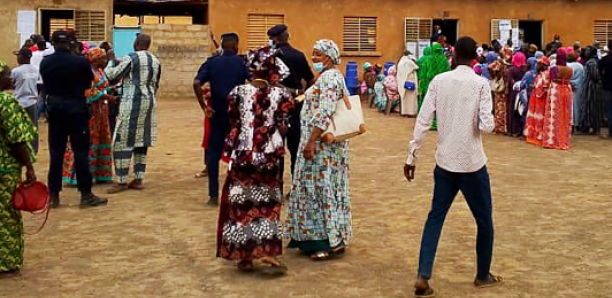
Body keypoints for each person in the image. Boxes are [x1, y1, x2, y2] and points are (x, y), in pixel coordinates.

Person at [404, 36, 501, 298]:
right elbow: (486, 126)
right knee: (484, 221)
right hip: (472, 164)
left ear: (454, 54)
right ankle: (483, 275)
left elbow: (423, 121)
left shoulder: (438, 81)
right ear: (475, 58)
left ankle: (423, 275)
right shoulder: (481, 84)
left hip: (444, 163)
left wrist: (412, 156)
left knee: (435, 218)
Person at [216, 46, 293, 273]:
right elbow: (284, 127)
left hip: (242, 158)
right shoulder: (283, 95)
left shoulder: (236, 93)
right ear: (272, 70)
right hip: (269, 159)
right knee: (268, 206)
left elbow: (233, 126)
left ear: (251, 69)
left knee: (242, 206)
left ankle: (245, 257)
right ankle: (268, 252)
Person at [286, 39, 352, 261]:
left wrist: (311, 141)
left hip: (322, 147)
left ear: (330, 56)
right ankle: (326, 238)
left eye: (318, 54)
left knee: (317, 191)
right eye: (312, 53)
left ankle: (323, 242)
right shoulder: (327, 77)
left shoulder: (331, 78)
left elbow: (325, 111)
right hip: (324, 146)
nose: (313, 58)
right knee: (322, 190)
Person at [40, 31, 107, 208]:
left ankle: (54, 196)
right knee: (80, 152)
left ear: (53, 43)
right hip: (76, 109)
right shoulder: (80, 62)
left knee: (56, 153)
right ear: (70, 44)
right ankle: (86, 195)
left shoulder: (46, 62)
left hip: (55, 109)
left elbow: (46, 85)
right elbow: (87, 84)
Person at [193, 33, 249, 205]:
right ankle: (237, 193)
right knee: (239, 154)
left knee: (213, 154)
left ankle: (213, 195)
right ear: (236, 46)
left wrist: (204, 107)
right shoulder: (242, 62)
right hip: (236, 115)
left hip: (217, 114)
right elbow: (254, 81)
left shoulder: (212, 62)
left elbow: (196, 83)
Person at [104, 34, 161, 194]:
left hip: (131, 103)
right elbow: (155, 85)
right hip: (149, 103)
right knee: (142, 140)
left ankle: (121, 181)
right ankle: (138, 178)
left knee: (122, 140)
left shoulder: (132, 57)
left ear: (136, 43)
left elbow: (111, 76)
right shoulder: (155, 61)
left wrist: (110, 60)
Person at [267, 24, 315, 196]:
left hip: (274, 109)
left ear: (274, 39)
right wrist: (301, 94)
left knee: (275, 150)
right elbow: (310, 80)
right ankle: (295, 189)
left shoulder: (270, 58)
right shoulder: (299, 56)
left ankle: (276, 189)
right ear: (286, 36)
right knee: (295, 150)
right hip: (296, 108)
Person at [0, 60, 37, 277]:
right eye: (6, 74)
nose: (10, 77)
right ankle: (5, 263)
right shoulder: (5, 102)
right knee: (6, 216)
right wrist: (29, 167)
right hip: (4, 170)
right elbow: (17, 141)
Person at [62, 48, 114, 186]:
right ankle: (81, 177)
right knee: (89, 142)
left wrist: (111, 90)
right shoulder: (86, 72)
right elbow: (86, 91)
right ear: (96, 59)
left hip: (101, 112)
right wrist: (104, 95)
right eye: (103, 58)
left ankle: (100, 174)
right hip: (90, 112)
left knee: (101, 140)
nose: (105, 60)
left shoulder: (100, 71)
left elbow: (103, 86)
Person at [543, 48, 573, 150]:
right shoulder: (570, 70)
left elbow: (551, 79)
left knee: (554, 114)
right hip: (567, 90)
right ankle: (563, 139)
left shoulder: (554, 69)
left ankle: (552, 140)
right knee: (565, 114)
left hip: (556, 90)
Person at [11, 48, 40, 153]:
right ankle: (33, 150)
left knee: (18, 128)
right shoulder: (36, 69)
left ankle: (18, 151)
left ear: (23, 57)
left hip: (19, 103)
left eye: (18, 55)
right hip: (32, 102)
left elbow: (11, 84)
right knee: (33, 127)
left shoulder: (16, 71)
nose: (17, 58)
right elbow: (39, 84)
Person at [422, 43, 451, 130]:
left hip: (430, 84)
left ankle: (430, 123)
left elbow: (423, 74)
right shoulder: (444, 59)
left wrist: (423, 86)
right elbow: (448, 72)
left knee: (430, 104)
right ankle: (440, 123)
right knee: (441, 104)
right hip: (442, 85)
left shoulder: (428, 59)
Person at [524, 57, 551, 145]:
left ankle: (539, 137)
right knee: (536, 117)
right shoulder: (542, 74)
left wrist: (534, 87)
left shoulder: (544, 74)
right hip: (536, 98)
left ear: (543, 65)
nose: (537, 65)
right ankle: (535, 136)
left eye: (539, 64)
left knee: (539, 117)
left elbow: (544, 87)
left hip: (540, 99)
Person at [505, 52, 527, 136]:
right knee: (520, 110)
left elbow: (510, 81)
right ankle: (519, 130)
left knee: (512, 110)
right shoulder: (525, 69)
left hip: (513, 93)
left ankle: (511, 130)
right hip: (523, 92)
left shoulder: (511, 70)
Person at [567, 51, 586, 133]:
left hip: (569, 87)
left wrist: (571, 83)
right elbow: (583, 77)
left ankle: (570, 124)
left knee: (569, 106)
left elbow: (566, 77)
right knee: (577, 106)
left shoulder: (567, 66)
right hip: (579, 88)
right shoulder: (580, 66)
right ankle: (577, 124)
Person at [519, 57, 538, 136]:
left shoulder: (528, 74)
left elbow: (522, 85)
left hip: (528, 96)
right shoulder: (540, 73)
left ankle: (525, 132)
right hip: (538, 97)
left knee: (526, 113)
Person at [397, 50, 419, 117]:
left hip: (403, 83)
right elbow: (417, 67)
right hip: (410, 82)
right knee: (411, 99)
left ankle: (404, 112)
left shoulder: (400, 63)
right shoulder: (409, 62)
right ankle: (411, 112)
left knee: (405, 98)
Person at [489, 57, 507, 134]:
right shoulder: (499, 75)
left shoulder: (502, 75)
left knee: (500, 111)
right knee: (499, 111)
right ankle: (499, 127)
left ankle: (501, 128)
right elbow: (490, 67)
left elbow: (489, 67)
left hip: (501, 95)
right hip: (499, 95)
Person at [599, 40, 612, 139]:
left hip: (607, 87)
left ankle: (610, 132)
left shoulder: (605, 59)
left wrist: (603, 79)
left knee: (609, 110)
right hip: (607, 86)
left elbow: (599, 72)